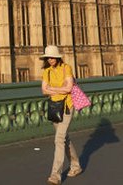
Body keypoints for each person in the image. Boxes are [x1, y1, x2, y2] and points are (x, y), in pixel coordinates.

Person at [40, 45, 82, 184]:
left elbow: (69, 88)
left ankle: (55, 176)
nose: (50, 60)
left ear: (57, 57)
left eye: (52, 57)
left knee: (59, 139)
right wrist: (60, 89)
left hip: (67, 107)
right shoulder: (47, 71)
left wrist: (52, 88)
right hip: (54, 108)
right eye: (48, 58)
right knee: (64, 139)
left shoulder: (66, 68)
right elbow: (44, 90)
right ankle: (75, 166)